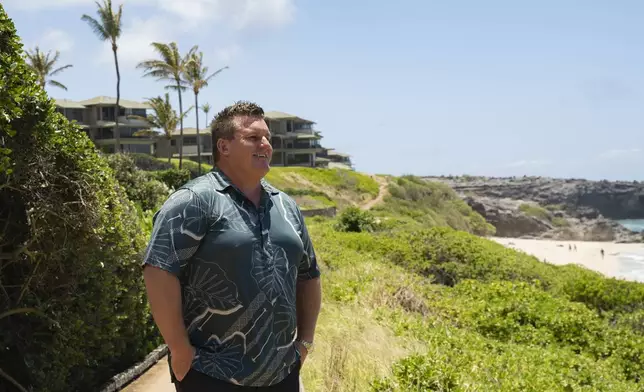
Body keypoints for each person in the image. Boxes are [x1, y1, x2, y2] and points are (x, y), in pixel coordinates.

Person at [142, 101, 322, 391]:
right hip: (211, 374)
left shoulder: (286, 206)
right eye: (253, 137)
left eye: (267, 138)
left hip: (282, 372)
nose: (265, 144)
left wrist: (304, 342)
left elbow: (309, 275)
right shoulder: (194, 201)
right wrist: (179, 348)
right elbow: (159, 269)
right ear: (223, 147)